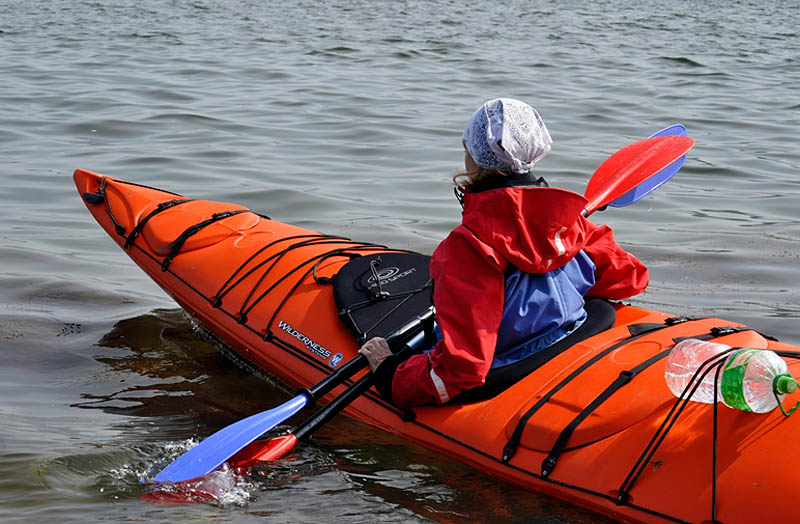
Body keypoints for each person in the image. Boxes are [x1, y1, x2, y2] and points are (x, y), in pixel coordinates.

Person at [359, 98, 649, 408]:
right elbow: (630, 279)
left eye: (466, 148)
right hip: (566, 343)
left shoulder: (468, 246)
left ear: (475, 158)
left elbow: (462, 371)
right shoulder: (569, 223)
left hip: (506, 372)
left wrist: (389, 372)